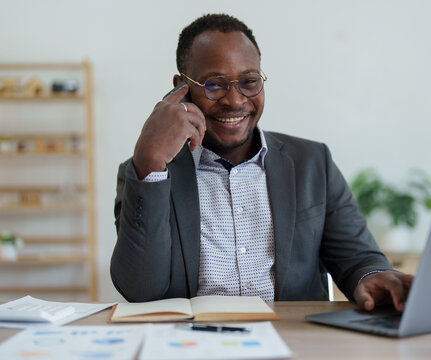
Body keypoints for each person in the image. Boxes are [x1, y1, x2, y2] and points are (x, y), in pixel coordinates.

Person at [110, 13, 413, 311]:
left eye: (249, 81)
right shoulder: (149, 172)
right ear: (181, 89)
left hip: (295, 341)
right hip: (193, 343)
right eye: (214, 85)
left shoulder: (311, 163)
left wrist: (373, 277)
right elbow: (140, 290)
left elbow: (358, 258)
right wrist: (150, 158)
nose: (235, 100)